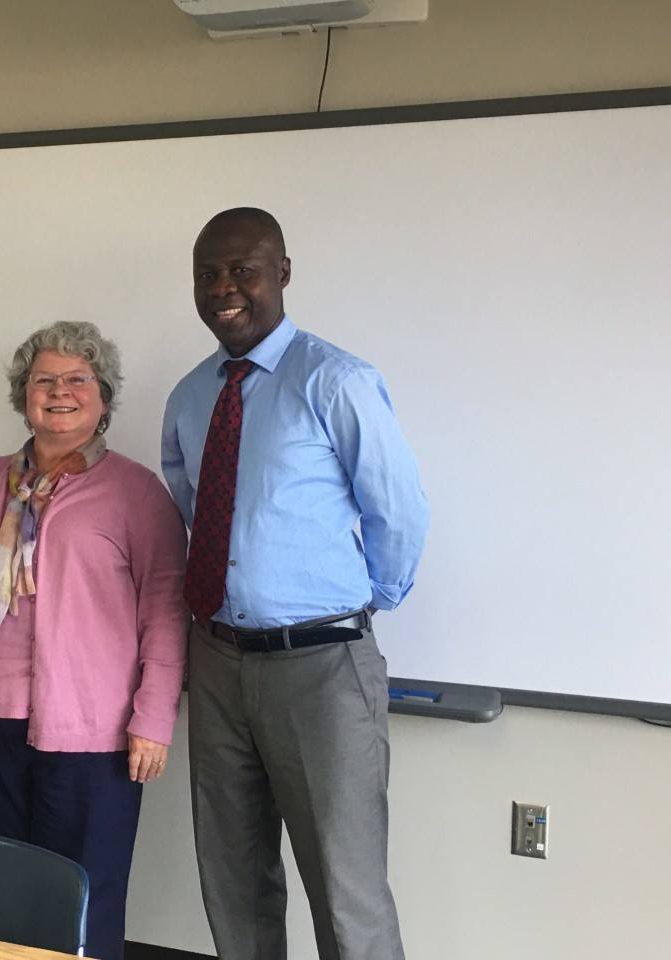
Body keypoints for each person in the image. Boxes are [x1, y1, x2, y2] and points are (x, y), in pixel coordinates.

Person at [162, 207, 429, 960]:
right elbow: (191, 508)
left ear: (281, 272)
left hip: (321, 669)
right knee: (234, 882)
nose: (225, 287)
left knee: (347, 895)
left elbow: (398, 511)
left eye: (243, 269)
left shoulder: (335, 380)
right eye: (208, 273)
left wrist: (353, 604)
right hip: (214, 661)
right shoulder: (189, 396)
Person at [0, 321, 187, 960]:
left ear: (103, 397)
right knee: (2, 890)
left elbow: (167, 614)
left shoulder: (137, 492)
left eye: (77, 380)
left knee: (86, 894)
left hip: (94, 734)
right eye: (44, 380)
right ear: (24, 394)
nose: (60, 391)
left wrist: (153, 719)